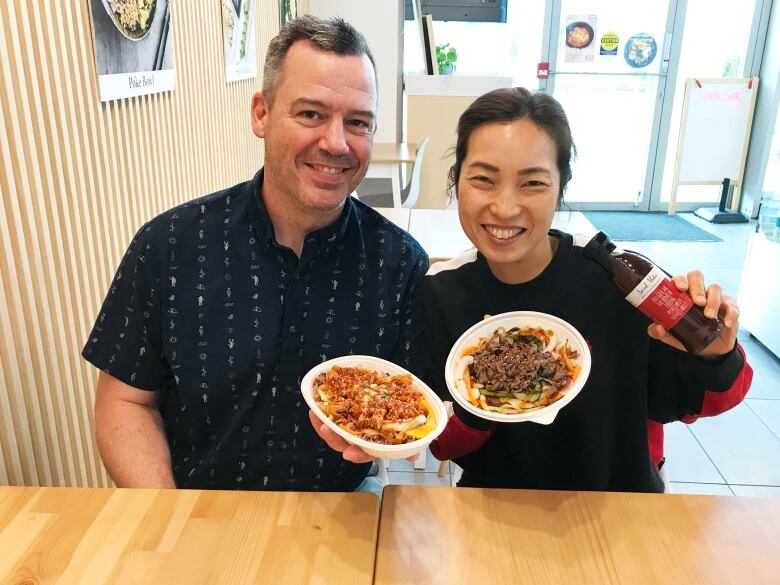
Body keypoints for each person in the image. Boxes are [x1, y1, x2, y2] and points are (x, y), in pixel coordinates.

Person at [83, 15, 428, 492]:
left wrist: (394, 437)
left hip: (338, 513)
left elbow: (420, 406)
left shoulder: (401, 264)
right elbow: (125, 402)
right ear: (261, 114)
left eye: (357, 122)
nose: (335, 142)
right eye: (310, 114)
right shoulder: (168, 247)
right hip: (193, 508)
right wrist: (164, 513)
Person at [423, 87, 752, 492]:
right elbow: (439, 442)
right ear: (457, 181)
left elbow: (709, 400)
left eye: (532, 184)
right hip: (495, 510)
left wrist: (715, 354)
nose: (505, 207)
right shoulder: (441, 293)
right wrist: (479, 402)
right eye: (483, 180)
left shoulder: (622, 280)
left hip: (620, 506)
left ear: (561, 187)